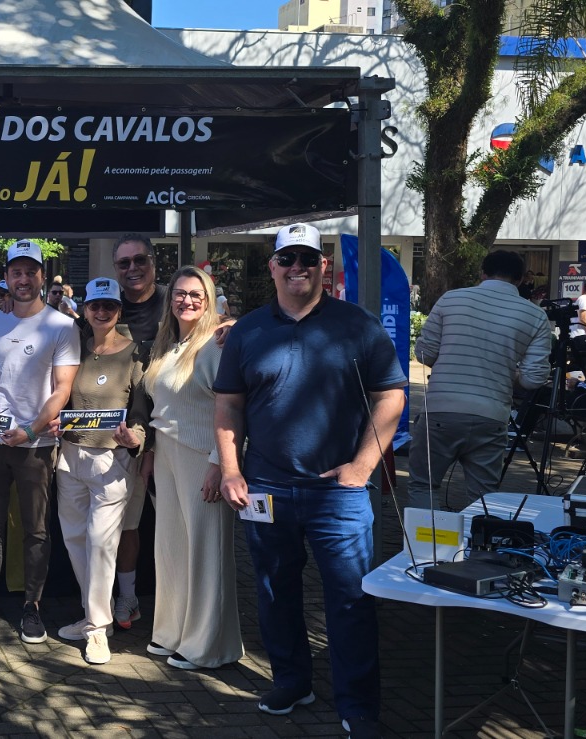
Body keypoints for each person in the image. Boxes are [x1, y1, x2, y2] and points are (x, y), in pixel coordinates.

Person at [214, 223, 406, 738]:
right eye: (287, 259)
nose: (297, 267)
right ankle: (292, 681)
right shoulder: (249, 330)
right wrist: (232, 469)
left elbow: (392, 395)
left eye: (307, 258)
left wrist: (363, 466)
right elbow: (229, 404)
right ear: (272, 266)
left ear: (325, 265)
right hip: (266, 489)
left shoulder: (357, 325)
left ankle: (358, 705)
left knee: (351, 598)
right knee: (275, 591)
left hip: (337, 492)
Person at [0, 239, 80, 643]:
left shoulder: (63, 326)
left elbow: (62, 390)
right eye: (17, 272)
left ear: (42, 276)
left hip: (35, 445)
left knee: (36, 530)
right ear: (7, 278)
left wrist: (31, 429)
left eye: (31, 271)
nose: (24, 279)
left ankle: (32, 606)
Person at [144, 265, 244, 671]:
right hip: (167, 453)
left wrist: (220, 464)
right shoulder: (169, 344)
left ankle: (207, 645)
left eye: (196, 295)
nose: (187, 300)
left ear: (209, 301)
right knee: (170, 548)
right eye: (180, 294)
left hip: (204, 456)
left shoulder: (219, 344)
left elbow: (236, 410)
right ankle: (171, 631)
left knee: (206, 549)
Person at [50, 277, 149, 665]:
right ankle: (96, 616)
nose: (102, 312)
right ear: (85, 310)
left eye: (109, 306)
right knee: (75, 539)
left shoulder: (137, 353)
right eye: (96, 306)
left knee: (102, 543)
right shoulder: (75, 345)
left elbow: (141, 408)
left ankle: (96, 630)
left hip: (112, 461)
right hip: (70, 458)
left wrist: (135, 436)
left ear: (118, 311)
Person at [409, 250, 551, 511]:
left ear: (482, 273)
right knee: (484, 496)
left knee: (424, 485)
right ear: (520, 280)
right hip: (492, 415)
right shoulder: (535, 316)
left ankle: (426, 549)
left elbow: (425, 353)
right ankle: (478, 550)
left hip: (441, 409)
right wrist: (507, 370)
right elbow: (533, 379)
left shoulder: (451, 300)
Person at [102, 234, 166, 628]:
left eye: (139, 260)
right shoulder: (106, 307)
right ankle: (117, 599)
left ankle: (169, 606)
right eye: (123, 263)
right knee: (116, 526)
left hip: (165, 437)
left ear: (153, 262)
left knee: (166, 528)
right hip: (113, 439)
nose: (132, 269)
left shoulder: (173, 304)